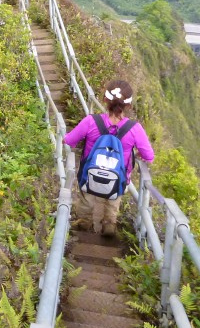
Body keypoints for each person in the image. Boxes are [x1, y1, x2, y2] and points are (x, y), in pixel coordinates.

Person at [64, 79, 154, 237]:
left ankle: (84, 222)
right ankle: (109, 225)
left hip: (89, 175)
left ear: (105, 100)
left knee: (86, 198)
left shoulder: (91, 121)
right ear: (129, 105)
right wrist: (137, 154)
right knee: (113, 200)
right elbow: (149, 155)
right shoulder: (134, 129)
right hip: (117, 179)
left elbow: (69, 140)